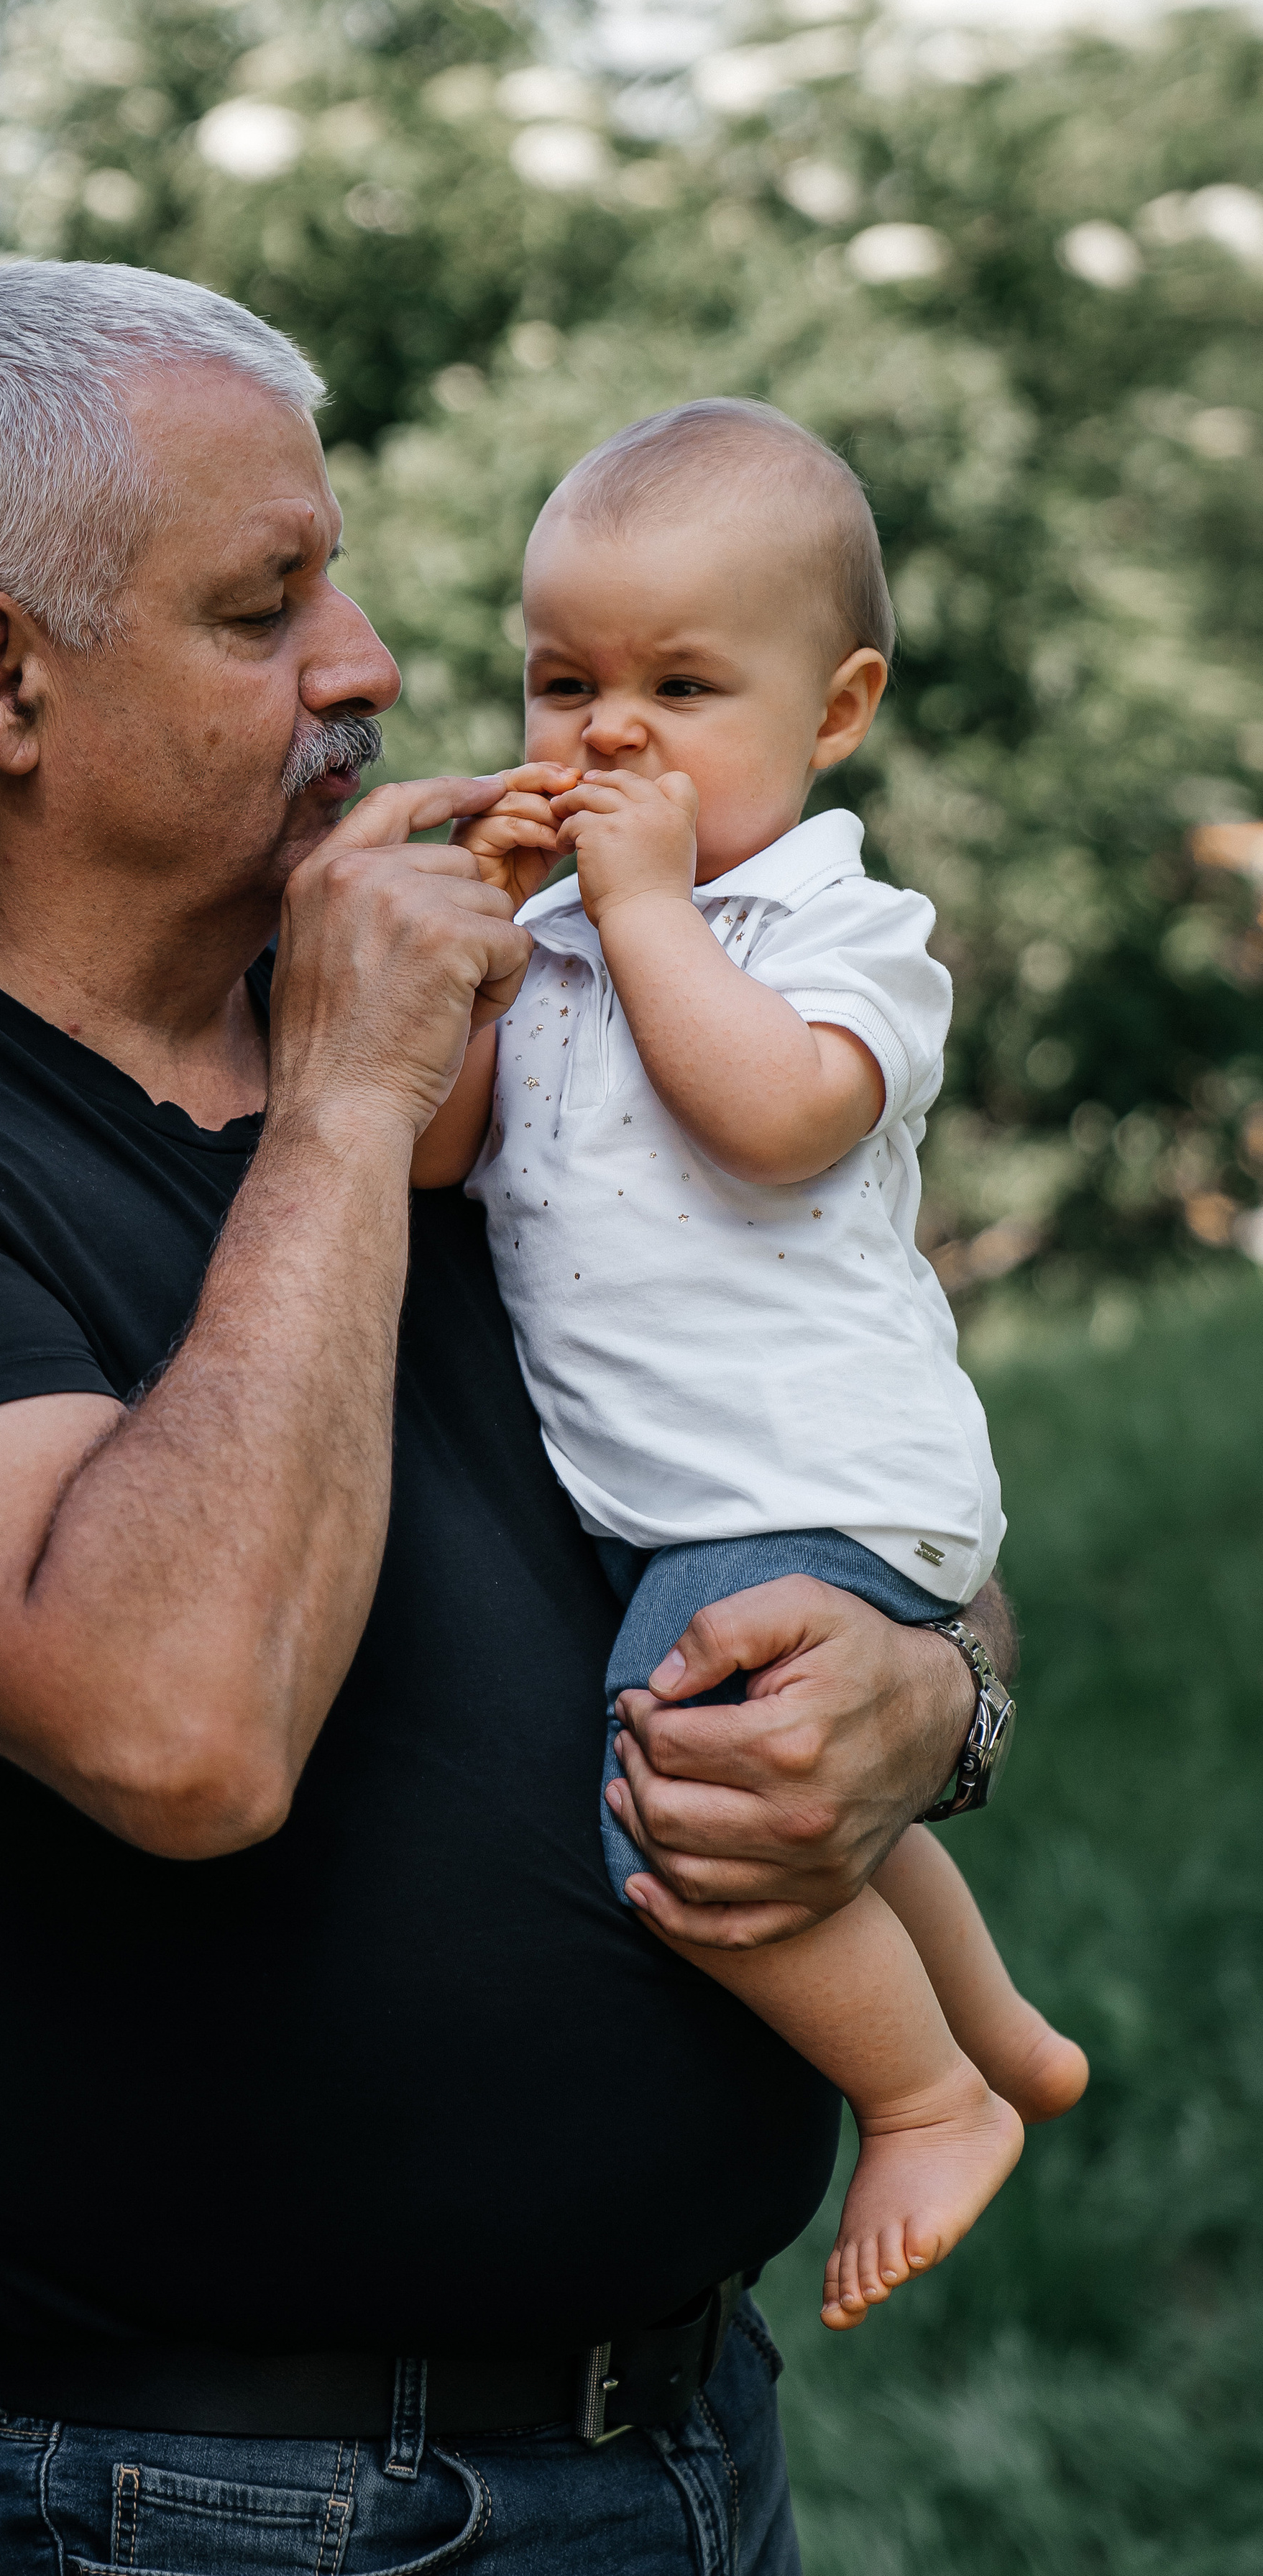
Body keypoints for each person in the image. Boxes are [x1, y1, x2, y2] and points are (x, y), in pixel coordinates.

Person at [0, 265, 1020, 2573]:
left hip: (683, 2436)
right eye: (270, 607)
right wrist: (347, 1101)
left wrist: (932, 1697)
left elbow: (823, 1445)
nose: (367, 659)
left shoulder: (470, 1003)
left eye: (340, 581)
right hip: (237, 2507)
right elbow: (179, 1727)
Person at [413, 398, 1088, 2337]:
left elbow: (781, 1120)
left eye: (682, 687)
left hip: (812, 1471)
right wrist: (473, 939)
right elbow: (445, 1143)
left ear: (837, 709)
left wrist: (628, 911)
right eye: (563, 682)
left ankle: (925, 2096)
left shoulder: (836, 928)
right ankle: (1000, 2031)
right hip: (696, 1489)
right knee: (811, 1800)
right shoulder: (554, 937)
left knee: (683, 1798)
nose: (607, 734)